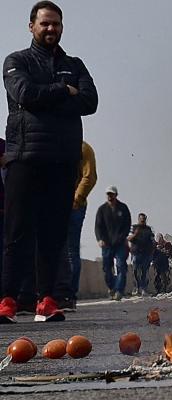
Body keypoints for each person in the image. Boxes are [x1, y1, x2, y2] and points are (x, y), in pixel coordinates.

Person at [0, 1, 98, 323]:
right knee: (17, 233)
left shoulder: (75, 63)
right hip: (24, 159)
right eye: (45, 24)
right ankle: (8, 300)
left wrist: (54, 97)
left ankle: (46, 300)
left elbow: (89, 101)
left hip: (62, 162)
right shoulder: (16, 61)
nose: (51, 29)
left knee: (53, 235)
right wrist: (63, 92)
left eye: (56, 24)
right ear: (32, 27)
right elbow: (25, 93)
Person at [54, 140, 97, 311]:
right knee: (55, 249)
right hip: (54, 205)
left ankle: (69, 295)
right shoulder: (53, 145)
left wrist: (76, 199)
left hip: (73, 206)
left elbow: (89, 176)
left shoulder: (83, 148)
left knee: (71, 250)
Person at [95, 186, 131, 301]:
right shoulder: (102, 209)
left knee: (121, 265)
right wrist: (100, 239)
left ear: (116, 195)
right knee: (107, 267)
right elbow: (98, 226)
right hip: (107, 244)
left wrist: (123, 237)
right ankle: (111, 287)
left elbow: (127, 224)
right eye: (108, 194)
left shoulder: (123, 208)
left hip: (120, 243)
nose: (110, 197)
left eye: (112, 194)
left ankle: (119, 290)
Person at [128, 213, 154, 296]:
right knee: (135, 271)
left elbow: (152, 239)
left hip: (146, 253)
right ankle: (136, 287)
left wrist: (152, 248)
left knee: (144, 272)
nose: (142, 221)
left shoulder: (148, 229)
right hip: (136, 252)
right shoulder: (134, 227)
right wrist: (135, 234)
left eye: (144, 219)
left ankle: (144, 289)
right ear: (138, 219)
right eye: (141, 219)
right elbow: (128, 238)